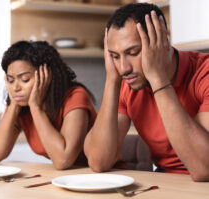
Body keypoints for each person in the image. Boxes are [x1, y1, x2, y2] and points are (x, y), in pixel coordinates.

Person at [84, 3, 209, 181]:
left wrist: (158, 78)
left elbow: (203, 168)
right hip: (169, 183)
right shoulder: (128, 82)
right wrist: (112, 81)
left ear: (164, 41)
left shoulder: (204, 73)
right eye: (115, 56)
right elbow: (98, 161)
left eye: (133, 52)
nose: (123, 68)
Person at [0, 41, 96, 170]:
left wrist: (35, 107)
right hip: (64, 178)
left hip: (100, 176)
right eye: (10, 80)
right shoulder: (21, 104)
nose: (16, 87)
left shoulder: (75, 97)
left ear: (47, 76)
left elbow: (63, 160)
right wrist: (14, 105)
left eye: (25, 79)